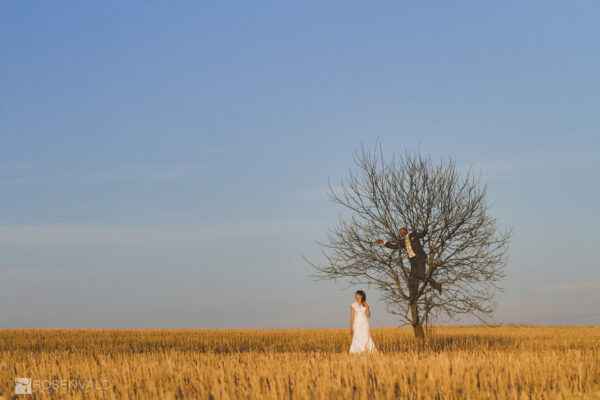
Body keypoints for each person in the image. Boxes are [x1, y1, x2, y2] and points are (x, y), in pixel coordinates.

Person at [376, 223, 442, 294]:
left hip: (420, 258)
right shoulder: (403, 242)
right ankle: (414, 294)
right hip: (413, 260)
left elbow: (422, 234)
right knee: (413, 278)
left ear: (406, 231)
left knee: (421, 275)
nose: (401, 233)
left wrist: (426, 228)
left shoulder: (414, 235)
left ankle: (437, 285)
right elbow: (395, 246)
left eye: (402, 231)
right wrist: (384, 242)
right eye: (400, 232)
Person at [349, 290, 377, 354]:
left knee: (366, 336)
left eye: (357, 294)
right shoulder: (353, 305)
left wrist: (367, 307)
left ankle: (368, 351)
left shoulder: (366, 304)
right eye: (355, 294)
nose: (355, 295)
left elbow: (368, 315)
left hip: (364, 322)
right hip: (356, 322)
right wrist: (351, 327)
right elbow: (352, 316)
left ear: (361, 296)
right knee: (356, 336)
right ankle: (357, 351)